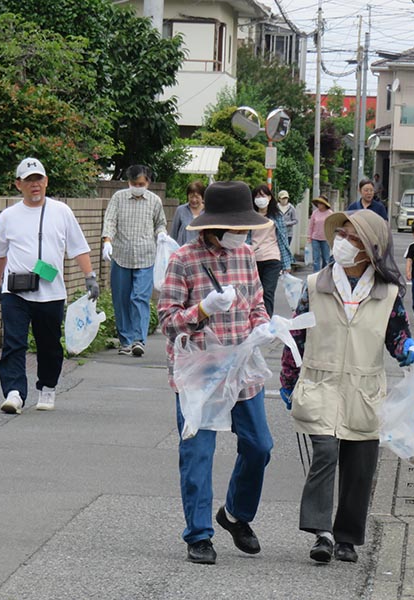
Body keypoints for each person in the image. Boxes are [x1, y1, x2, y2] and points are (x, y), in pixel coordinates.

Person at [279, 209, 414, 565]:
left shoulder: (387, 293)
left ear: (370, 247)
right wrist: (288, 380)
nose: (342, 243)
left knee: (359, 467)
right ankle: (321, 532)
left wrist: (406, 350)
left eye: (352, 238)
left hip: (364, 388)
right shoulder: (316, 285)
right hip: (321, 383)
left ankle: (346, 538)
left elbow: (397, 333)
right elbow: (296, 334)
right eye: (340, 235)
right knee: (325, 452)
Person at [158, 180, 275, 566]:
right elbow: (167, 321)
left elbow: (257, 303)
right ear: (212, 225)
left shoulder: (245, 255)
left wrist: (262, 325)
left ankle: (236, 514)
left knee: (259, 445)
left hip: (242, 367)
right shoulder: (183, 260)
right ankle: (199, 534)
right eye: (236, 227)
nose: (241, 234)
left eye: (245, 228)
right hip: (199, 370)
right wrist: (202, 310)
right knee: (198, 451)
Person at [0, 157, 100, 414]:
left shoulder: (62, 211)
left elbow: (78, 247)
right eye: (29, 181)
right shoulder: (8, 216)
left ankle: (48, 387)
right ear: (19, 185)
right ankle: (14, 393)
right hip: (15, 291)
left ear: (46, 181)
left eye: (38, 179)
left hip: (51, 292)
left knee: (49, 345)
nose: (35, 185)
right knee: (13, 342)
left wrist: (90, 276)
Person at [101, 164, 168, 357]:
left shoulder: (154, 201)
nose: (137, 186)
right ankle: (125, 340)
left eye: (141, 183)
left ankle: (139, 340)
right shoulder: (118, 198)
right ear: (128, 182)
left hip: (146, 255)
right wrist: (107, 240)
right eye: (133, 183)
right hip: (121, 255)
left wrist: (162, 234)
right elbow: (110, 220)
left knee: (139, 298)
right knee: (121, 299)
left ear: (148, 182)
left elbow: (160, 223)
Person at [249, 184, 293, 316]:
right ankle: (255, 321)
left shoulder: (276, 216)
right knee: (254, 293)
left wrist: (286, 264)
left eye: (263, 195)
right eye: (257, 195)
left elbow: (282, 239)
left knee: (268, 292)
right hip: (253, 259)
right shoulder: (250, 216)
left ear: (269, 197)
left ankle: (266, 325)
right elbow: (245, 238)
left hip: (272, 258)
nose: (260, 198)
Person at [170, 180, 205, 246]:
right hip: (182, 252)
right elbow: (173, 234)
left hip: (202, 252)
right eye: (191, 197)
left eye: (197, 197)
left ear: (202, 197)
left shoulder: (208, 211)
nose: (194, 200)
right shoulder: (180, 210)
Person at [308, 195, 334, 272]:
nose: (319, 205)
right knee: (316, 258)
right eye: (318, 203)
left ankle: (324, 273)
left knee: (325, 258)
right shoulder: (314, 213)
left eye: (321, 203)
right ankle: (316, 274)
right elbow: (311, 226)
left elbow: (332, 225)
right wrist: (309, 236)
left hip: (325, 238)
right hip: (315, 238)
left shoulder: (330, 213)